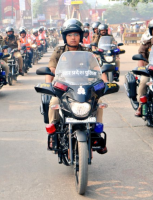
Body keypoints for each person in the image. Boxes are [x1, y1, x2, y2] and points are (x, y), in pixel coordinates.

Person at [46, 18, 108, 154]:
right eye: (69, 35)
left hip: (85, 87)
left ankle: (97, 131)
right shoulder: (59, 51)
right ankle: (53, 132)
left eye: (75, 34)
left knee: (99, 102)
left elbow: (98, 71)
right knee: (54, 102)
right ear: (65, 37)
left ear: (80, 36)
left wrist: (105, 84)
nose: (73, 38)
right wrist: (48, 85)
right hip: (64, 89)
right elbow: (51, 70)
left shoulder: (87, 52)